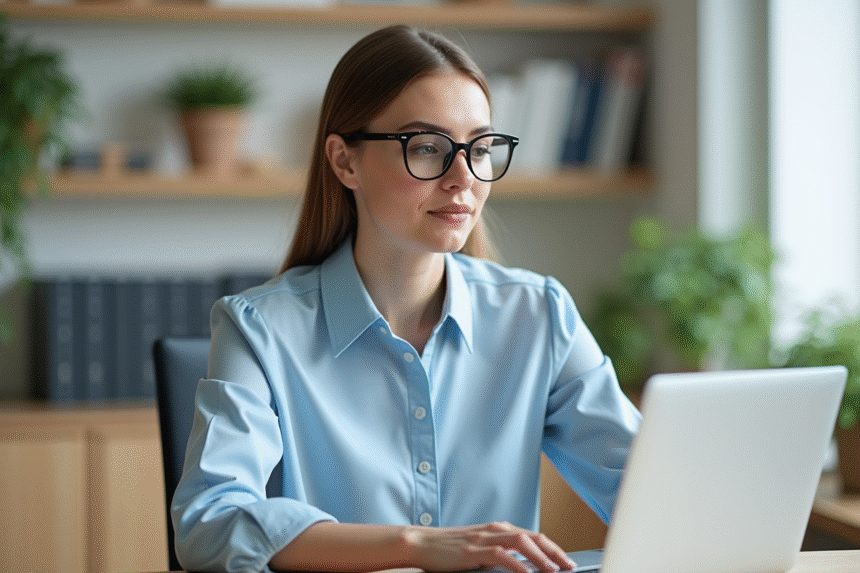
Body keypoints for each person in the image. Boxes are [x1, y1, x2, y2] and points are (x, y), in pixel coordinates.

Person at [172, 24, 641, 573]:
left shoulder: (538, 315)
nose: (464, 178)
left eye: (481, 148)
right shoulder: (258, 329)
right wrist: (414, 547)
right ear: (345, 162)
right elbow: (209, 525)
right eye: (426, 148)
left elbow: (647, 486)